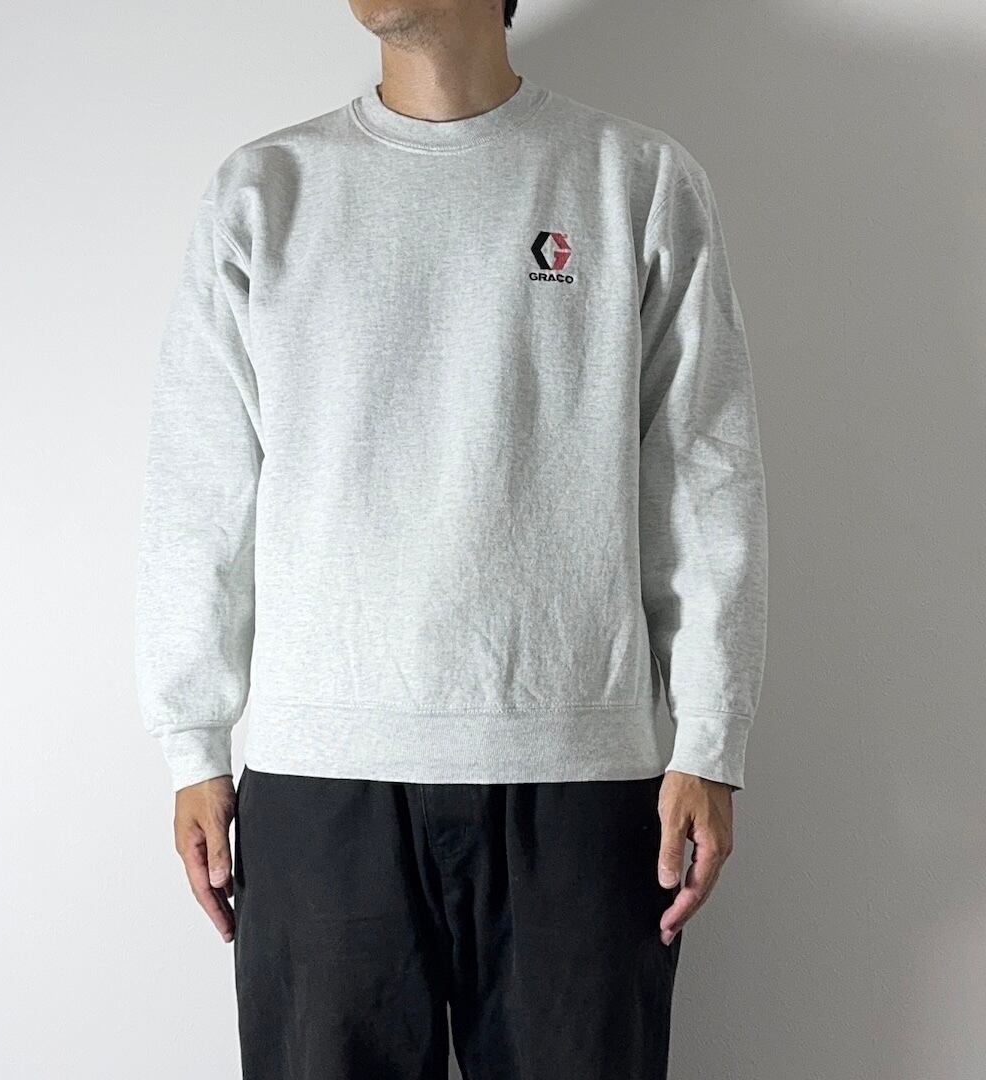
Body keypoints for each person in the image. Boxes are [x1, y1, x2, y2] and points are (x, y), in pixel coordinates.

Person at [134, 1, 769, 1076]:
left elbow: (705, 475)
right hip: (320, 777)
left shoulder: (634, 180)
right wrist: (193, 746)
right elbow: (199, 487)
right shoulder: (265, 192)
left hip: (576, 773)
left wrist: (710, 738)